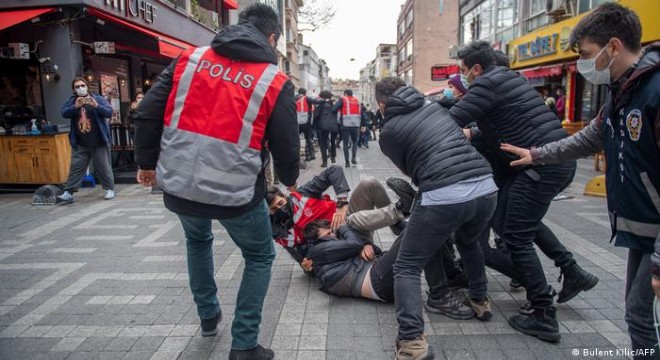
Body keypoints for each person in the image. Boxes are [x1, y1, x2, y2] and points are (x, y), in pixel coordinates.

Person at [133, 4, 300, 360]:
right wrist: (289, 179)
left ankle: (208, 317)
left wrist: (147, 163)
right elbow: (287, 143)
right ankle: (243, 344)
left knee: (197, 241)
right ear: (272, 38)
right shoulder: (274, 80)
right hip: (236, 193)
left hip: (180, 185)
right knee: (258, 255)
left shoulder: (188, 60)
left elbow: (147, 112)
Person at [500, 3, 660, 358]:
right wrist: (537, 153)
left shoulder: (654, 91)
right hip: (644, 229)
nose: (584, 65)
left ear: (613, 46)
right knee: (640, 315)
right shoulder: (623, 93)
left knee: (638, 315)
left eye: (587, 54)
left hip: (656, 236)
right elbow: (589, 138)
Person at [450, 40, 597, 342]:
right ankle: (572, 272)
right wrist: (473, 133)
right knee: (515, 225)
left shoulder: (487, 83)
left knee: (515, 235)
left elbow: (449, 119)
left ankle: (544, 312)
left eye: (464, 71)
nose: (463, 78)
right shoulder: (509, 79)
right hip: (548, 162)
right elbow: (501, 125)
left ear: (476, 68)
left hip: (538, 166)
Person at [376, 77, 497, 360]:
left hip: (445, 193)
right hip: (486, 185)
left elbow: (411, 170)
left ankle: (411, 343)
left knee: (406, 266)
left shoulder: (389, 131)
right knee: (469, 242)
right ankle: (480, 300)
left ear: (382, 105)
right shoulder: (435, 107)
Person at [301, 218, 475, 320]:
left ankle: (451, 278)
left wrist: (365, 245)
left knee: (426, 231)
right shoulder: (319, 250)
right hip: (376, 282)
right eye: (328, 234)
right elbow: (354, 243)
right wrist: (344, 227)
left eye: (331, 232)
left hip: (377, 273)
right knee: (421, 228)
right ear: (316, 241)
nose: (333, 235)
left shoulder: (328, 249)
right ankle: (439, 294)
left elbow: (374, 250)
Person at [57, 77, 115, 203]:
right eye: (77, 87)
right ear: (74, 89)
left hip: (98, 141)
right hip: (81, 142)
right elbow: (64, 113)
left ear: (87, 86)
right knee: (76, 167)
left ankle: (109, 188)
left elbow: (109, 112)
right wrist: (75, 107)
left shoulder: (97, 98)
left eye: (82, 85)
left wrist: (96, 105)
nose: (80, 88)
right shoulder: (72, 100)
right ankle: (68, 192)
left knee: (103, 166)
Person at [332, 89, 362, 167]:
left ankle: (347, 162)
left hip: (345, 124)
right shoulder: (356, 100)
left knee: (345, 143)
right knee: (354, 141)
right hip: (355, 125)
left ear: (345, 93)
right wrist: (364, 124)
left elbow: (334, 109)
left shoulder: (343, 99)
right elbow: (361, 113)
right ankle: (354, 158)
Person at [313, 90, 339, 167]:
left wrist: (314, 125)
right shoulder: (334, 104)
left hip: (322, 126)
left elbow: (316, 116)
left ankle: (324, 162)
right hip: (333, 125)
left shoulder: (320, 105)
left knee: (323, 143)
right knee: (333, 141)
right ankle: (333, 157)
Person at [296, 88, 321, 161]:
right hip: (306, 123)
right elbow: (316, 101)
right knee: (308, 139)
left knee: (297, 140)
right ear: (305, 93)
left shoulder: (294, 98)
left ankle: (297, 156)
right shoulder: (306, 98)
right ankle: (310, 155)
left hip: (297, 123)